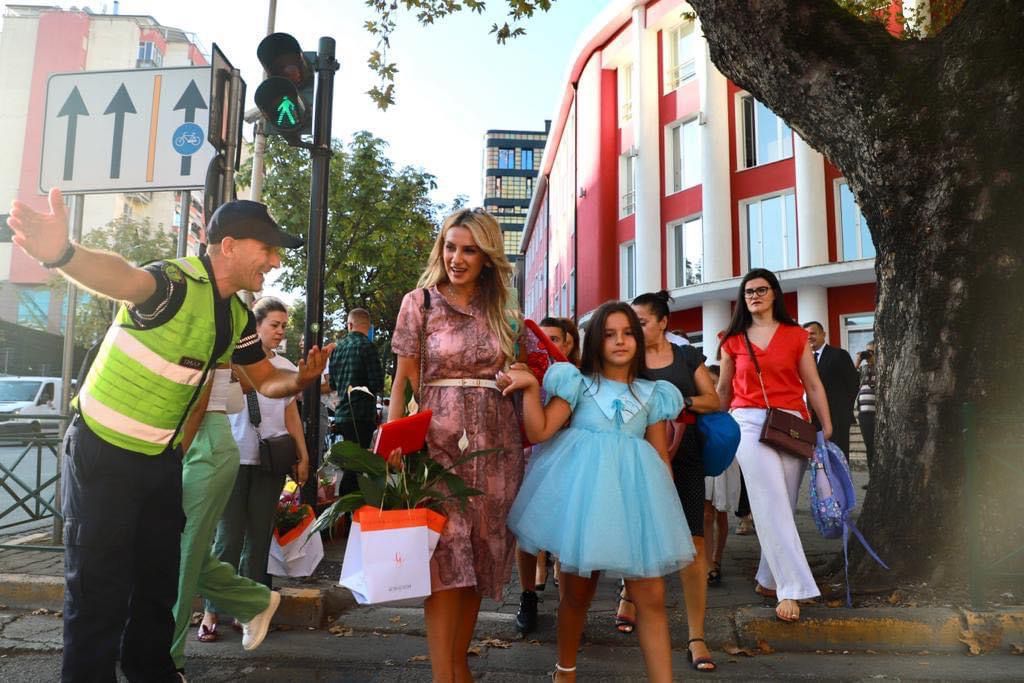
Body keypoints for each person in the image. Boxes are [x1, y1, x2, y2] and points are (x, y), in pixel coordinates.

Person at [5, 191, 331, 682]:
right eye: (266, 248)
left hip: (159, 463)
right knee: (98, 596)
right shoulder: (173, 282)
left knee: (159, 589)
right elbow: (121, 276)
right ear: (228, 246)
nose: (274, 260)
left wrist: (302, 380)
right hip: (102, 453)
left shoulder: (236, 318)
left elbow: (266, 381)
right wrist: (63, 254)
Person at [504, 301, 694, 683]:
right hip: (586, 501)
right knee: (576, 595)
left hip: (637, 503)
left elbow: (660, 457)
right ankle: (565, 671)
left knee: (652, 599)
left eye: (628, 333)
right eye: (609, 334)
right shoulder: (576, 383)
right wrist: (528, 389)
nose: (620, 341)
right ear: (595, 342)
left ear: (639, 340)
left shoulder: (654, 393)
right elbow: (541, 432)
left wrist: (664, 513)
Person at [387, 207, 524, 682]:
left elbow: (522, 368)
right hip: (437, 444)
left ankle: (458, 666)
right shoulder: (419, 303)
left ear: (487, 257)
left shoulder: (503, 308)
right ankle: (443, 675)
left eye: (469, 250)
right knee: (445, 561)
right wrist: (393, 443)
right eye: (450, 246)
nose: (457, 258)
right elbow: (403, 381)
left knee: (477, 561)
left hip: (497, 446)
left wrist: (518, 377)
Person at [717, 268, 832, 623]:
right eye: (748, 291)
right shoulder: (732, 339)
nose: (754, 295)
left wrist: (825, 424)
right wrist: (719, 427)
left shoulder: (797, 336)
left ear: (775, 294)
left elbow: (811, 384)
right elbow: (724, 389)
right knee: (770, 500)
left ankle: (768, 579)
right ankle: (791, 587)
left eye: (761, 289)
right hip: (747, 422)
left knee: (780, 503)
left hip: (792, 423)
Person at [200, 297, 311, 637]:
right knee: (227, 538)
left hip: (270, 462)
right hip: (231, 459)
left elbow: (291, 413)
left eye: (283, 326)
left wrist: (303, 455)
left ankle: (250, 612)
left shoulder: (288, 368)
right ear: (256, 327)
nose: (280, 331)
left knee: (259, 539)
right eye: (274, 324)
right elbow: (211, 409)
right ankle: (211, 612)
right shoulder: (233, 363)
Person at [169, 362, 281, 675]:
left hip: (202, 445)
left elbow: (204, 395)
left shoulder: (206, 322)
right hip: (192, 441)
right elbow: (243, 384)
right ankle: (254, 602)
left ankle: (168, 660)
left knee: (182, 557)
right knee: (188, 554)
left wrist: (174, 459)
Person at [630, 290, 721, 671]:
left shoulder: (686, 356)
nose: (634, 329)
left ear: (664, 322)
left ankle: (696, 636)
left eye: (642, 322)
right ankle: (627, 596)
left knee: (694, 542)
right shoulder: (627, 359)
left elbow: (714, 400)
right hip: (639, 453)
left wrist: (678, 402)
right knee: (639, 535)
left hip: (685, 454)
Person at [514, 316, 576, 634]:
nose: (547, 344)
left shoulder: (575, 376)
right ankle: (527, 595)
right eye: (543, 338)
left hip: (567, 459)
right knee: (527, 534)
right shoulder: (523, 368)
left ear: (569, 343)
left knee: (566, 537)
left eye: (555, 339)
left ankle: (569, 607)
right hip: (530, 455)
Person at [328, 307, 385, 494]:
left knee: (351, 464)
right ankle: (348, 509)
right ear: (368, 327)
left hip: (343, 414)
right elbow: (377, 382)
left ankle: (345, 510)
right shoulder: (368, 347)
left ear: (349, 324)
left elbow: (334, 383)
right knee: (358, 467)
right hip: (362, 414)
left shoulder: (338, 349)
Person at [702, 364, 742, 588]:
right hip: (705, 458)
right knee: (706, 513)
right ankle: (708, 564)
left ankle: (718, 557)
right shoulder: (700, 404)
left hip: (726, 460)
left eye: (715, 382)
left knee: (721, 513)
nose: (713, 387)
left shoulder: (730, 406)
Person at [803, 321, 859, 459]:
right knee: (820, 458)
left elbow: (853, 383)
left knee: (838, 456)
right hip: (813, 418)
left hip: (837, 417)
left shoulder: (839, 355)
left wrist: (844, 410)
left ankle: (841, 481)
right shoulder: (804, 359)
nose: (809, 337)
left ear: (823, 334)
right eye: (805, 335)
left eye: (813, 333)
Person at [855, 340, 877, 480]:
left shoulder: (885, 367)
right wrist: (857, 361)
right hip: (864, 414)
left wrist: (874, 361)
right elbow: (850, 376)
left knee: (879, 447)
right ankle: (873, 479)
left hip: (879, 414)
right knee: (870, 447)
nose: (868, 355)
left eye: (872, 352)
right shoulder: (863, 369)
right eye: (867, 351)